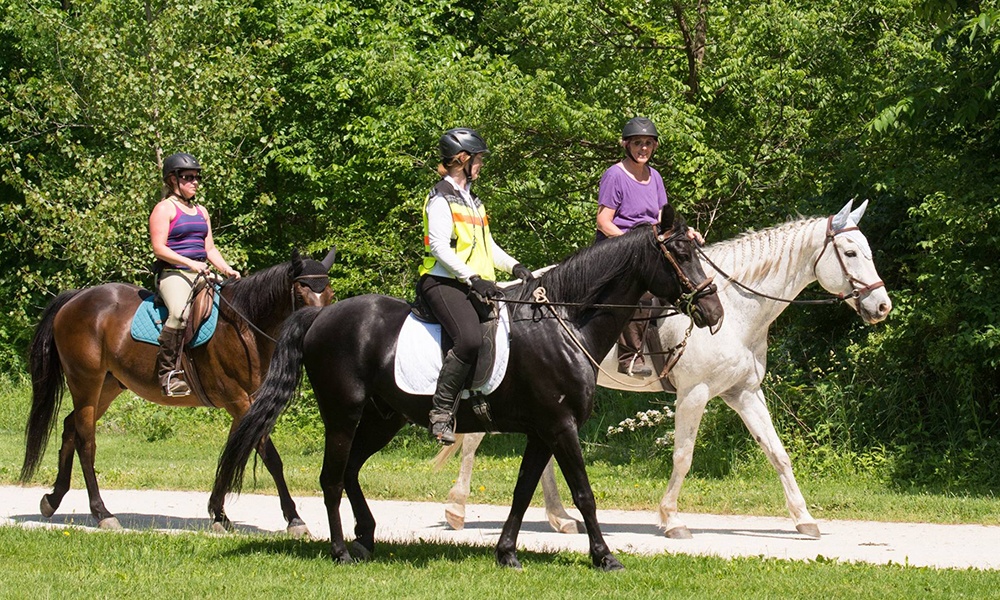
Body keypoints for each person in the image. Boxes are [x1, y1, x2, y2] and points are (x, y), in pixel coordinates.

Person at [418, 128, 534, 445]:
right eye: (479, 158)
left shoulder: (472, 199)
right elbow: (439, 248)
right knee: (469, 339)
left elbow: (488, 245)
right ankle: (441, 413)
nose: (481, 164)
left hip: (472, 283)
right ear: (463, 159)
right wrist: (473, 277)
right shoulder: (441, 198)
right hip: (442, 282)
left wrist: (515, 267)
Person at [595, 117, 702, 377]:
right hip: (618, 246)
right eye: (637, 143)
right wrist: (629, 246)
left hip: (648, 246)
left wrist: (683, 231)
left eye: (648, 143)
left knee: (683, 277)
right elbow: (603, 222)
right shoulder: (615, 175)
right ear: (626, 145)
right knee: (639, 292)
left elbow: (661, 216)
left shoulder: (655, 176)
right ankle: (629, 357)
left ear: (654, 146)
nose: (643, 148)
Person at [149, 152, 241, 397]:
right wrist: (190, 263)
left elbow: (209, 248)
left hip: (202, 271)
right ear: (172, 180)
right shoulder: (164, 209)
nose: (195, 182)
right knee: (179, 314)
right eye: (188, 177)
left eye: (197, 177)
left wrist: (226, 269)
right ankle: (168, 374)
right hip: (175, 274)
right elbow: (159, 248)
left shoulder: (201, 211)